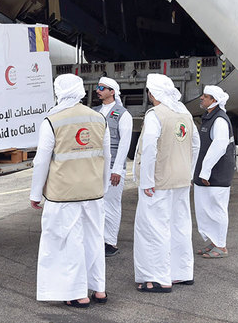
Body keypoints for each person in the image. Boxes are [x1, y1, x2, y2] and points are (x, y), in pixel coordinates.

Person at [30, 74, 111, 307]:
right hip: (94, 192)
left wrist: (36, 194)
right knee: (94, 239)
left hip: (63, 194)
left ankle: (77, 293)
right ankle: (99, 290)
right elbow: (106, 156)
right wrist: (102, 187)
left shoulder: (52, 120)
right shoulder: (98, 118)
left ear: (58, 91)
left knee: (68, 242)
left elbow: (41, 161)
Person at [131, 74, 199, 293]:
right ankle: (182, 272)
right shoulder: (184, 113)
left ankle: (158, 278)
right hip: (180, 180)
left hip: (158, 182)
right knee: (180, 225)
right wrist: (189, 173)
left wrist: (148, 179)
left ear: (153, 93)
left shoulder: (155, 115)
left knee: (153, 228)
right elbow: (196, 145)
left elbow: (150, 148)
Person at [193, 85, 235, 259]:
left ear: (214, 100)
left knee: (216, 209)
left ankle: (221, 246)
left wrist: (205, 171)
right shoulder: (210, 117)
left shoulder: (219, 120)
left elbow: (219, 146)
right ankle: (213, 241)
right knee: (206, 209)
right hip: (207, 173)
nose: (202, 98)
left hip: (215, 174)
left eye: (206, 96)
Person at [93, 77, 132, 257]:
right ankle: (98, 239)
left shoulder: (123, 114)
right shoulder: (95, 112)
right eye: (98, 87)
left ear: (112, 92)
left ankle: (110, 242)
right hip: (96, 166)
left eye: (102, 88)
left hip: (113, 167)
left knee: (112, 205)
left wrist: (117, 169)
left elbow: (125, 143)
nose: (98, 90)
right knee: (97, 205)